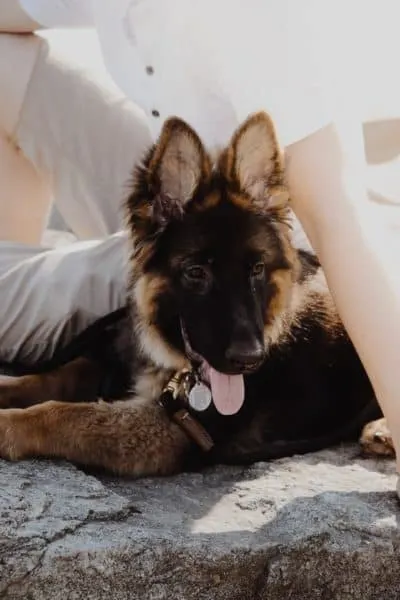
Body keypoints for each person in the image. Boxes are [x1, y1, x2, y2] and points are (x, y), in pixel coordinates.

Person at [2, 1, 400, 491]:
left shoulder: (264, 17)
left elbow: (338, 215)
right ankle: (39, 344)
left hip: (246, 246)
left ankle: (37, 338)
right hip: (176, 204)